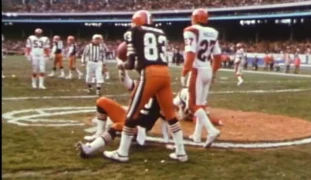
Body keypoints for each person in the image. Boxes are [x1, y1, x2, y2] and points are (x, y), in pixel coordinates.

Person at [103, 10, 188, 162]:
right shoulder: (160, 32)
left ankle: (122, 153)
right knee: (170, 115)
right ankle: (181, 152)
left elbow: (130, 63)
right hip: (165, 73)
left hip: (150, 73)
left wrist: (121, 65)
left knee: (131, 115)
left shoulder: (134, 31)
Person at [76, 65, 171, 158]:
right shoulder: (143, 85)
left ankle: (90, 148)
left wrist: (167, 141)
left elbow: (165, 119)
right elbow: (128, 83)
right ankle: (99, 133)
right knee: (102, 101)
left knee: (117, 126)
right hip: (128, 118)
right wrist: (123, 71)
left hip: (138, 128)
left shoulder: (162, 96)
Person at [180, 8, 221, 147]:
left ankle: (211, 130)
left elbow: (190, 55)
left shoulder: (191, 30)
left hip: (197, 69)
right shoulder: (214, 32)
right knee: (201, 104)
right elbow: (218, 57)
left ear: (194, 18)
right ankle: (197, 136)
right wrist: (213, 72)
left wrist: (184, 72)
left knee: (192, 106)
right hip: (207, 69)